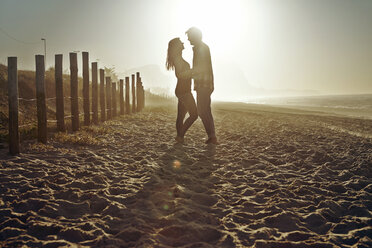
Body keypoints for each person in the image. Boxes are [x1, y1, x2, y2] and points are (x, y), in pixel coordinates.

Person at [186, 27, 218, 145]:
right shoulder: (200, 48)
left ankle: (212, 136)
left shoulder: (201, 48)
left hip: (204, 83)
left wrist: (187, 73)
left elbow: (201, 67)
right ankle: (212, 136)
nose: (188, 39)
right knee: (206, 110)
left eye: (189, 36)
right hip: (204, 83)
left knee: (202, 110)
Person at [166, 37, 198, 143]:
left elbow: (183, 74)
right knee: (194, 115)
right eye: (181, 42)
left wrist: (192, 74)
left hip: (182, 90)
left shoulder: (178, 57)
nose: (183, 43)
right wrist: (192, 71)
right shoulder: (177, 59)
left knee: (181, 116)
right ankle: (180, 135)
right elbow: (179, 75)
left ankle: (180, 137)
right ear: (177, 46)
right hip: (183, 91)